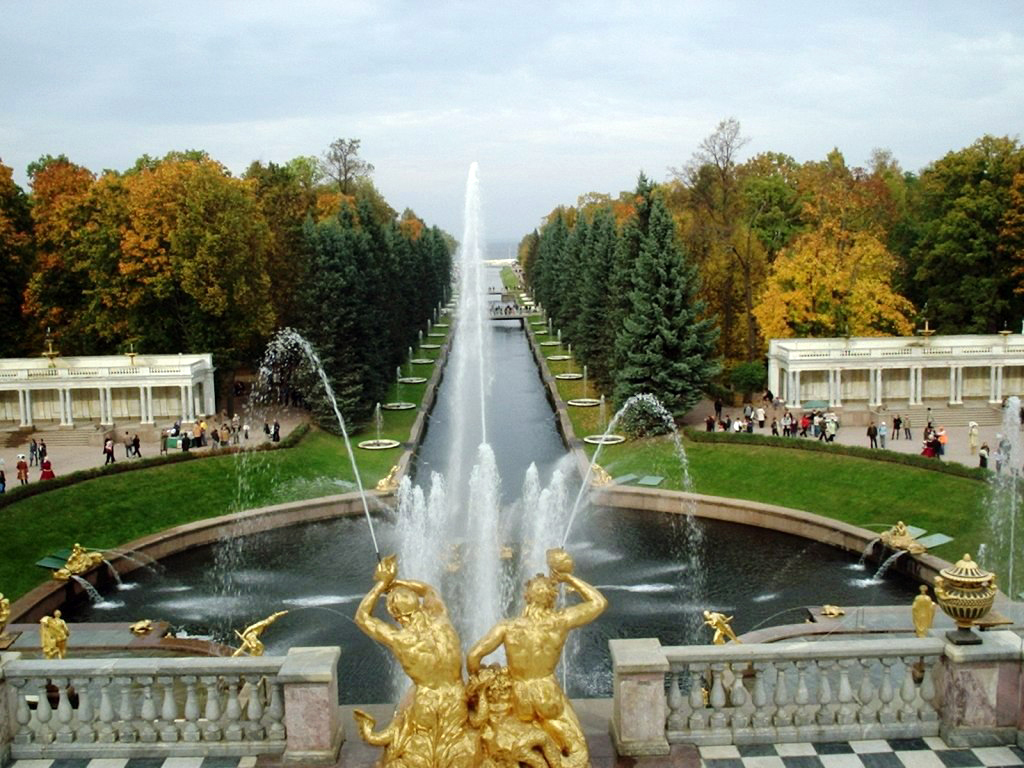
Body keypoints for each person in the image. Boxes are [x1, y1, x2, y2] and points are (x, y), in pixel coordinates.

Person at [468, 549, 606, 768]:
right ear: (552, 598)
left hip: (519, 696)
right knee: (576, 748)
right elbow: (599, 603)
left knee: (511, 730)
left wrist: (481, 679)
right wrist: (568, 578)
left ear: (527, 596)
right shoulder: (560, 621)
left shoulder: (508, 627)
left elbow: (474, 655)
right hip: (546, 693)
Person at [353, 555, 478, 768]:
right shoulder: (441, 618)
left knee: (421, 752)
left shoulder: (400, 639)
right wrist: (397, 582)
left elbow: (362, 617)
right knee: (451, 748)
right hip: (456, 697)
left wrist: (383, 583)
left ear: (395, 614)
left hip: (426, 701)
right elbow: (428, 589)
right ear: (419, 606)